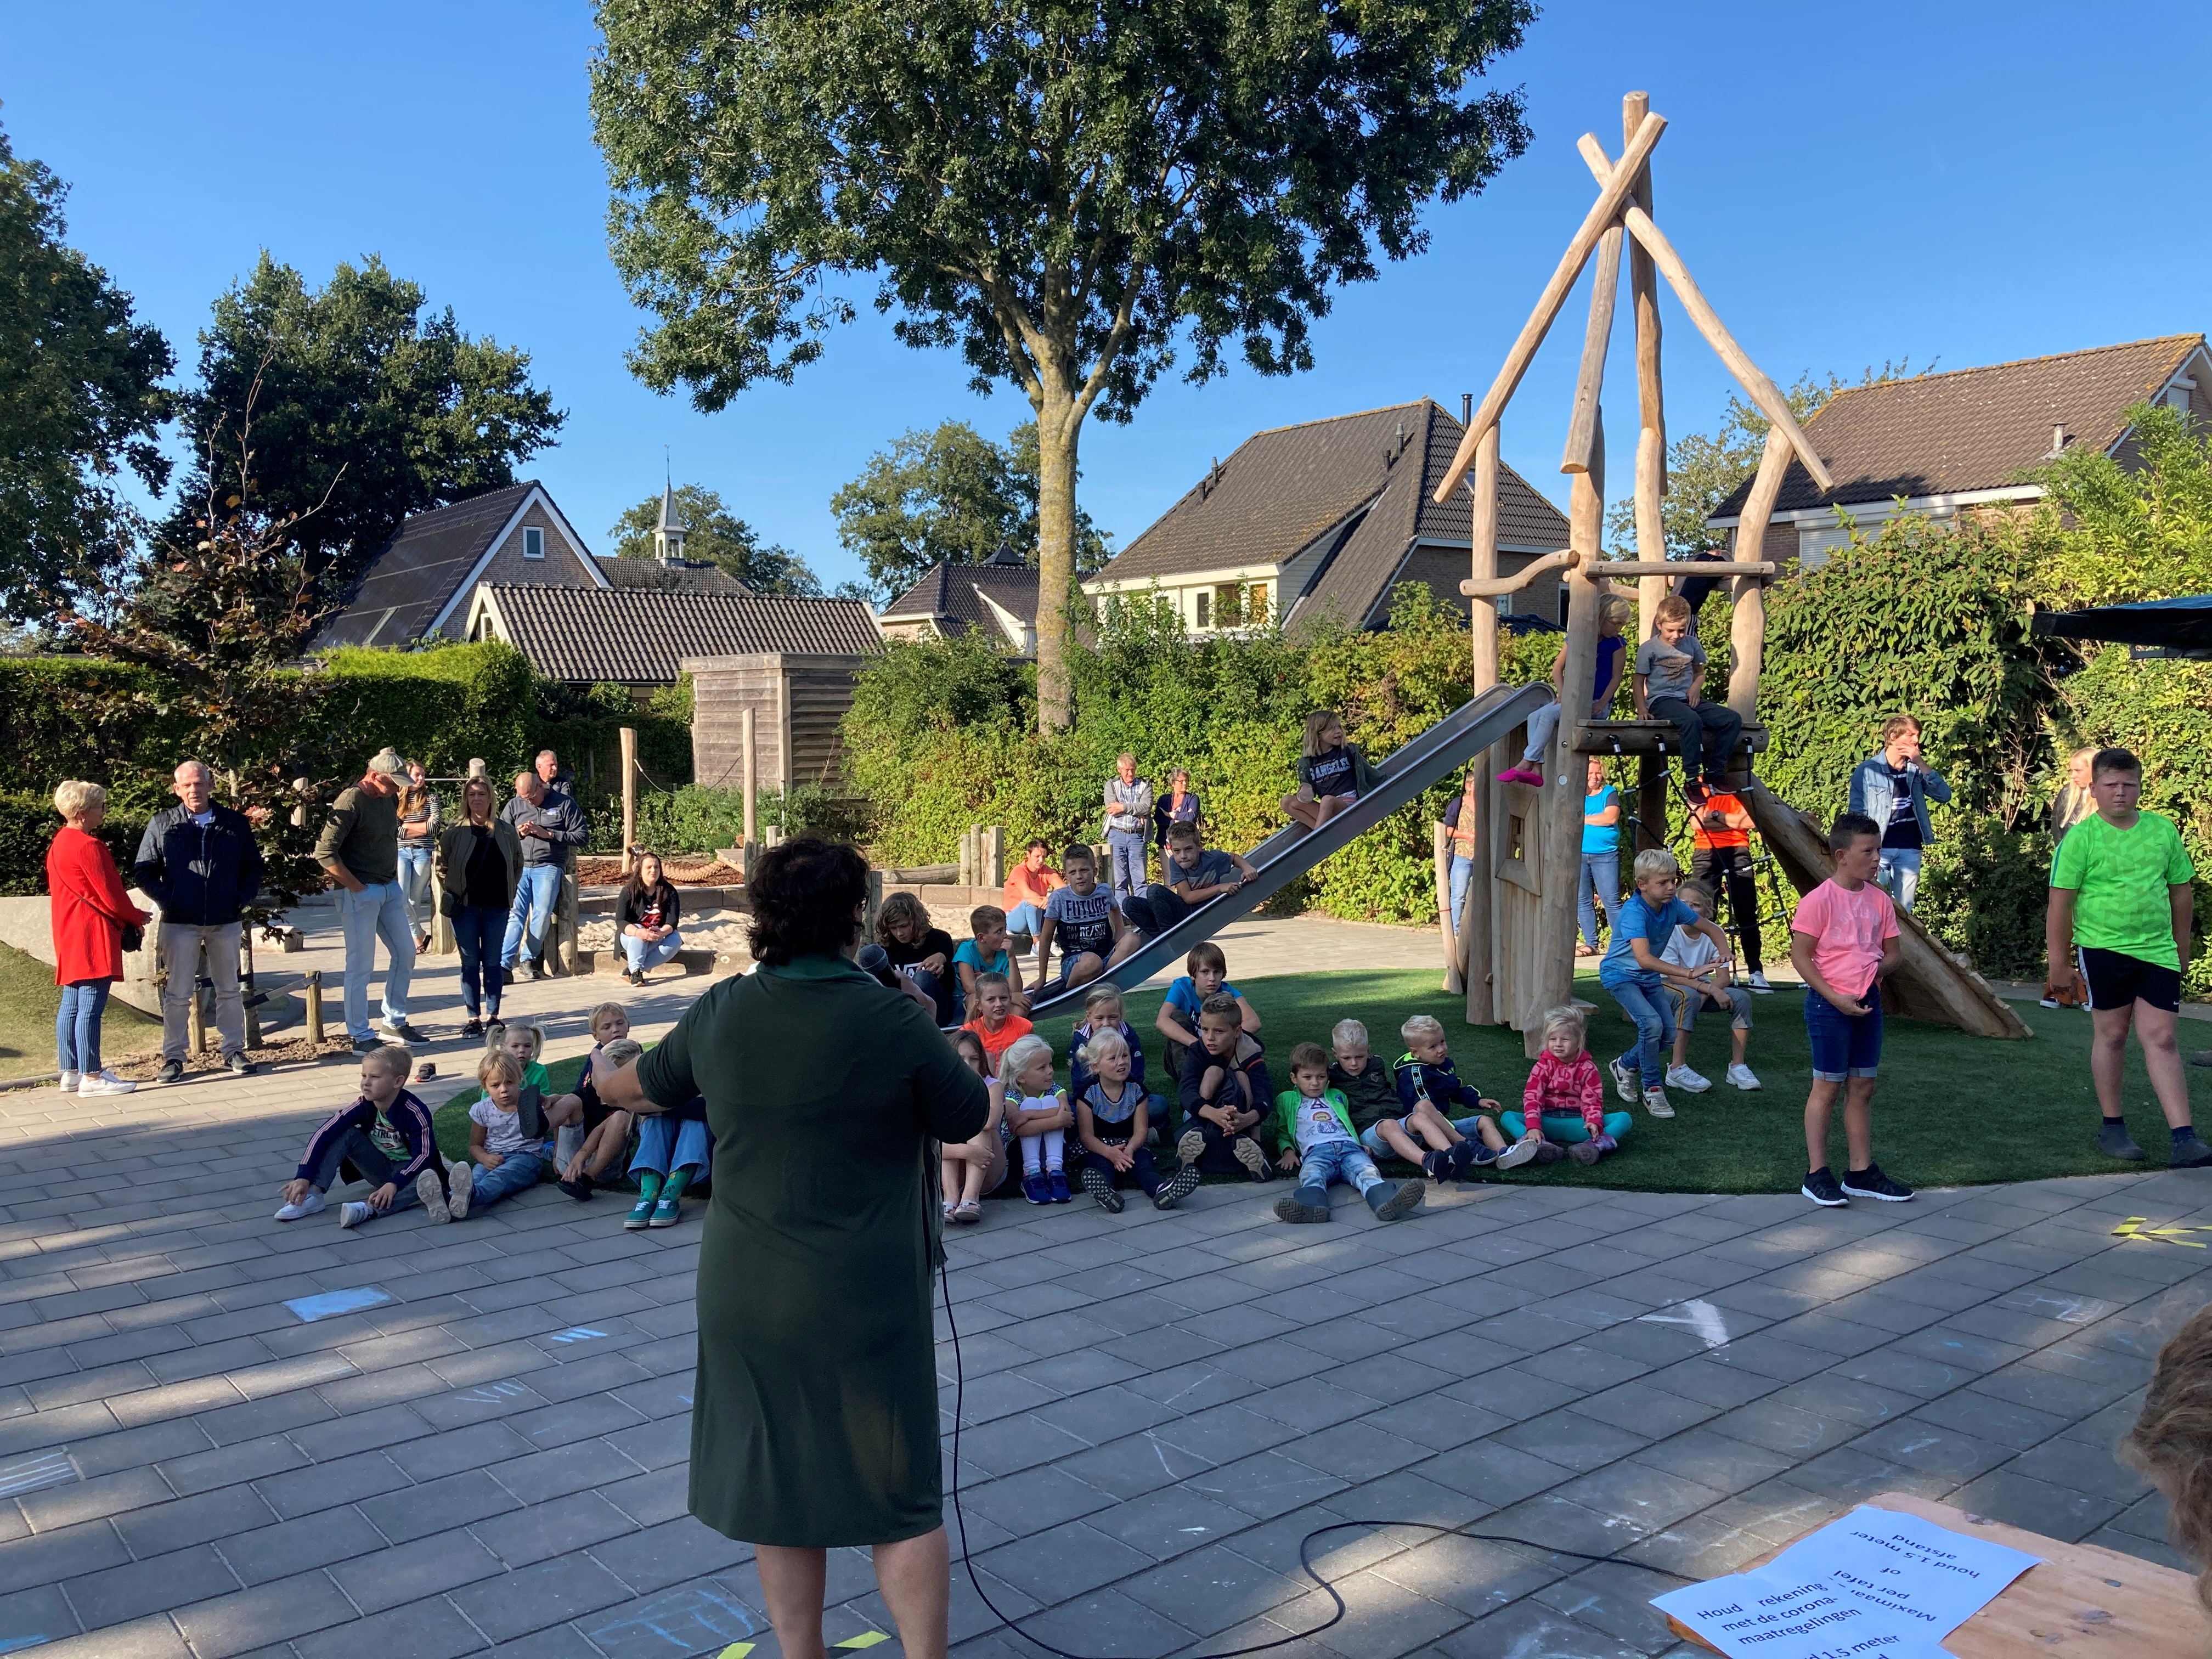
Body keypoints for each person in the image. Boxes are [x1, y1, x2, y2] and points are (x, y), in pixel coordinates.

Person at [589, 838, 988, 1659]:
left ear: (762, 919)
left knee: (780, 1488)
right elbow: (967, 1118)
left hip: (750, 1289)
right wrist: (922, 1023)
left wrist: (601, 1070)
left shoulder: (723, 1009)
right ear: (854, 918)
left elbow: (636, 1087)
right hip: (869, 1289)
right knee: (899, 1492)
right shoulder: (889, 1015)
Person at [2046, 748, 2209, 1169]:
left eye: (2129, 784)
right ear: (2095, 788)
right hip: (2102, 950)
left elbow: (2180, 892)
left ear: (2139, 786)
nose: (2120, 793)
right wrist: (2058, 963)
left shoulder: (2162, 831)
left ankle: (2184, 1138)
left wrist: (2181, 947)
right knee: (2113, 1035)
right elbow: (2060, 905)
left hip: (2157, 951)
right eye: (2112, 785)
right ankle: (2113, 1127)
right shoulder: (2080, 838)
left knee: (2163, 1038)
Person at [1791, 813, 1914, 1207]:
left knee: (1863, 1086)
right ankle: (1816, 1175)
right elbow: (1801, 958)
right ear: (1842, 855)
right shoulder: (1817, 902)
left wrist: (1873, 970)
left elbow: (1894, 954)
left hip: (1868, 1003)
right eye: (1869, 851)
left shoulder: (1880, 901)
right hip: (1830, 1006)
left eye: (1878, 849)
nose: (1877, 858)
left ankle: (1860, 1173)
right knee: (1826, 1088)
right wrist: (1834, 995)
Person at [135, 759, 264, 1084]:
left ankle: (234, 1050)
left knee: (229, 990)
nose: (194, 790)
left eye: (199, 783)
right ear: (177, 789)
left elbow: (253, 865)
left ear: (211, 785)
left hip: (226, 919)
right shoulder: (163, 824)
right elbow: (144, 869)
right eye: (187, 785)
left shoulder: (234, 823)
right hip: (180, 922)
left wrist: (239, 897)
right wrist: (170, 899)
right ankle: (174, 1057)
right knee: (178, 993)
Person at [1599, 847, 1727, 1121]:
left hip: (1646, 977)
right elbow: (1644, 959)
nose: (1671, 888)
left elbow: (1712, 928)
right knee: (1651, 1025)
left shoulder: (1673, 906)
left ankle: (1624, 1065)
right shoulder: (1635, 912)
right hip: (1621, 976)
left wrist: (1723, 949)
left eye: (1673, 880)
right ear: (1642, 885)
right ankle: (1653, 1089)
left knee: (1668, 1034)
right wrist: (1690, 972)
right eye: (1663, 883)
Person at [48, 780, 150, 1097]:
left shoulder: (59, 843)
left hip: (68, 930)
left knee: (72, 1004)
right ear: (82, 813)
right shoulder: (89, 846)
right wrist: (136, 916)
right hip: (92, 932)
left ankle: (71, 1071)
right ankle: (92, 1076)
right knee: (91, 1005)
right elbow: (111, 894)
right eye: (100, 806)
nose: (104, 811)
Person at [315, 748, 421, 1052]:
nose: (397, 789)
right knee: (360, 965)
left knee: (406, 952)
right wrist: (356, 887)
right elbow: (325, 852)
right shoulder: (351, 800)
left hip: (388, 887)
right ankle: (360, 1035)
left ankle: (394, 1021)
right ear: (374, 776)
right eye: (392, 783)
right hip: (359, 891)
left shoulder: (386, 797)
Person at [275, 1044, 439, 1228]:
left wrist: (396, 1183)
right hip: (380, 1168)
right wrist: (303, 1175)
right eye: (364, 1076)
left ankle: (368, 1209)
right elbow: (323, 1133)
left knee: (429, 1179)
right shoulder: (363, 1105)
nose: (366, 1083)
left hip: (411, 1172)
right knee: (345, 1132)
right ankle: (313, 1195)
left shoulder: (414, 1112)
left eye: (375, 1077)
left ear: (398, 1081)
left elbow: (424, 1156)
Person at [1270, 1042, 1423, 1224]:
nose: (1315, 1083)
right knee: (1312, 1174)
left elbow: (1348, 1122)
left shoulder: (1337, 1095)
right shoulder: (1286, 1099)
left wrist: (1359, 1143)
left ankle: (1387, 1200)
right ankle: (1311, 1206)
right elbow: (1282, 1131)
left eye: (1321, 1077)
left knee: (1366, 1171)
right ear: (1294, 1078)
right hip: (1317, 1151)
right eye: (1307, 1077)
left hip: (1349, 1147)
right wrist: (1287, 1150)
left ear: (1328, 1076)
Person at [1497, 594, 1631, 787]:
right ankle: (1537, 769)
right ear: (1602, 617)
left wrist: (1602, 703)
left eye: (1622, 625)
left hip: (1596, 704)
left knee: (1547, 716)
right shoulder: (1577, 639)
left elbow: (1616, 677)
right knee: (1535, 716)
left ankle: (1526, 762)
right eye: (1617, 623)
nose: (1619, 629)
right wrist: (1562, 693)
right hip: (1574, 699)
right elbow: (1557, 669)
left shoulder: (1617, 644)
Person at [1075, 1026, 1197, 1213]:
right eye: (1113, 1058)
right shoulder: (1087, 1094)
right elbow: (1086, 1136)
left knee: (1144, 1167)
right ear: (1096, 1066)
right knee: (1101, 1167)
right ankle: (1106, 1193)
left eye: (1125, 1056)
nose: (1121, 1062)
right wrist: (1110, 1153)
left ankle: (1163, 1190)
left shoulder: (1137, 1090)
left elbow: (1141, 1131)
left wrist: (1130, 1149)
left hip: (1131, 1143)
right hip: (1099, 1147)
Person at [1394, 1014, 1530, 1176]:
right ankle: (1465, 1147)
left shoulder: (1444, 1063)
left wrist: (1478, 1100)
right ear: (1416, 1053)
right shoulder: (1413, 1074)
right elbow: (1423, 1111)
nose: (1441, 1049)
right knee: (1424, 1106)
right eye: (1433, 1047)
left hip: (1445, 1126)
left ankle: (1504, 1154)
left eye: (1442, 1042)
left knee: (1485, 1121)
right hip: (1425, 1134)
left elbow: (1455, 1090)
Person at [437, 776, 520, 1037]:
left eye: (481, 794)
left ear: (490, 798)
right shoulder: (454, 831)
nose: (476, 799)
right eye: (471, 795)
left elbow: (517, 865)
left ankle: (494, 1016)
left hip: (497, 907)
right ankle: (473, 1017)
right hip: (466, 908)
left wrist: (509, 891)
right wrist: (453, 888)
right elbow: (442, 866)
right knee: (470, 962)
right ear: (466, 799)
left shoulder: (506, 831)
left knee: (493, 962)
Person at [1634, 595, 1743, 793]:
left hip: (1687, 698)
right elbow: (1638, 680)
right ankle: (1692, 778)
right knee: (1692, 721)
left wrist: (1695, 687)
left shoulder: (1692, 644)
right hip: (1662, 701)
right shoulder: (1649, 648)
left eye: (1681, 630)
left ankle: (1715, 773)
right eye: (1671, 630)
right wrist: (1642, 708)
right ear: (1659, 624)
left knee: (1732, 719)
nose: (1676, 635)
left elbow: (1700, 673)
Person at [1661, 882, 1761, 1093]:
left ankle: (1738, 1066)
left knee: (1741, 998)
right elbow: (1673, 975)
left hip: (1700, 989)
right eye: (1684, 903)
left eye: (1695, 905)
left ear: (1708, 911)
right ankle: (1676, 1068)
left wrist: (1709, 991)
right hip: (1668, 986)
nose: (1688, 909)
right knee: (1689, 996)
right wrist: (1710, 990)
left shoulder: (1714, 933)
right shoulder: (1670, 931)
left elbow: (1723, 976)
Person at [1847, 715, 1953, 913]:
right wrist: (1864, 850)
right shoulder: (1868, 770)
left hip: (1909, 847)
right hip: (1879, 849)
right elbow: (1857, 815)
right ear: (1894, 736)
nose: (1916, 741)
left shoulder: (1916, 769)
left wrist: (1920, 762)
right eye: (1911, 735)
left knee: (1904, 910)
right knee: (1871, 905)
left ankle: (1898, 945)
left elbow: (1944, 795)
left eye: (1918, 736)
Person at [1504, 1005, 1629, 1166]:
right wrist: (1533, 1127)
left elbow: (1592, 1100)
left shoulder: (1588, 1068)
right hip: (1547, 1123)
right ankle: (1537, 1144)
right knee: (1508, 1117)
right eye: (1553, 1039)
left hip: (1579, 1125)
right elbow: (1532, 1097)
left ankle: (1590, 1147)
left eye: (1565, 1039)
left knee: (1624, 1119)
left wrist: (1593, 1122)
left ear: (1579, 1042)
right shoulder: (1542, 1066)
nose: (1558, 1044)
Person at [499, 765, 585, 982]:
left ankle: (528, 959)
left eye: (530, 797)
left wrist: (549, 834)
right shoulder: (514, 804)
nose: (528, 802)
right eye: (523, 798)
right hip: (520, 866)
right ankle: (503, 964)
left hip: (548, 866)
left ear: (541, 786)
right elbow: (499, 836)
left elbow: (582, 836)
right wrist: (517, 833)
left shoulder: (564, 803)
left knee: (541, 913)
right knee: (515, 915)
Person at [1177, 994, 1274, 1180]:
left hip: (1239, 1114)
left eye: (1219, 1032)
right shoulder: (1198, 1050)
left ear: (1237, 1031)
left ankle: (1255, 1146)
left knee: (1241, 1076)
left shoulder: (1250, 1052)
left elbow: (1264, 1094)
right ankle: (1193, 1138)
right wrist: (1213, 1113)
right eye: (1205, 1030)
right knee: (1214, 1071)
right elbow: (1186, 1091)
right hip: (1203, 1112)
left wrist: (1247, 1119)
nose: (1210, 1038)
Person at [461, 1047, 564, 1216]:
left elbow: (562, 1109)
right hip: (493, 1157)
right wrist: (484, 1158)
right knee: (477, 1176)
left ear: (519, 1079)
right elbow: (475, 1145)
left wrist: (549, 1100)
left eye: (509, 1082)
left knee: (500, 1178)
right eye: (496, 1085)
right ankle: (449, 1199)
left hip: (526, 1158)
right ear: (485, 1086)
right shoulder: (482, 1110)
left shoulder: (530, 1102)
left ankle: (469, 1197)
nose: (504, 1089)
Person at [1688, 778, 1768, 990]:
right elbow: (1696, 822)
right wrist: (1730, 820)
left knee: (1746, 911)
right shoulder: (1697, 785)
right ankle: (1701, 971)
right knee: (1702, 912)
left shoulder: (1738, 782)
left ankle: (1755, 972)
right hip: (1705, 850)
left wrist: (1714, 814)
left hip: (1738, 849)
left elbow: (1750, 821)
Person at [1120, 820, 1255, 940]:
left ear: (1199, 847)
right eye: (1177, 851)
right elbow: (1188, 897)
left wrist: (1247, 867)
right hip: (1183, 909)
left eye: (1188, 849)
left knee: (1154, 891)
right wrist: (1220, 888)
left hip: (1199, 913)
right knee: (1129, 903)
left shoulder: (1212, 858)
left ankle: (1167, 935)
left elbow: (1234, 858)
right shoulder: (1175, 862)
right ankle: (1161, 936)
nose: (1183, 856)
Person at [557, 1005, 638, 1199]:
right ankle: (541, 1123)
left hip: (605, 1164)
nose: (615, 1030)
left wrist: (583, 1156)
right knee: (570, 1100)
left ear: (629, 1026)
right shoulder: (595, 1058)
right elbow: (579, 1095)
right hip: (572, 1158)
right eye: (607, 1027)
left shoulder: (634, 1059)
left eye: (620, 1024)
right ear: (596, 1036)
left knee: (620, 1118)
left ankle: (586, 1181)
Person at [2042, 747, 2098, 1009]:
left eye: (2079, 770)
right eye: (2071, 770)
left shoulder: (2106, 799)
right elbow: (2058, 834)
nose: (2073, 775)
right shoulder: (2067, 794)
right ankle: (2057, 989)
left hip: (2096, 877)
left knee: (2089, 931)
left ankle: (2091, 991)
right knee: (2060, 928)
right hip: (2068, 873)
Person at [1154, 941, 1259, 1080]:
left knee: (1234, 1025)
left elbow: (1254, 1022)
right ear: (1193, 974)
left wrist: (1224, 1038)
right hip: (1186, 1054)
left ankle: (1228, 1072)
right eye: (1205, 972)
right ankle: (1190, 1078)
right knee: (1176, 1017)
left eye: (1217, 972)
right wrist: (1200, 1045)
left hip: (1216, 1052)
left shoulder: (1228, 992)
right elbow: (1162, 1021)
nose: (1212, 979)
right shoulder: (1182, 987)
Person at [1035, 843, 1127, 992]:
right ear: (1066, 875)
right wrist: (1042, 978)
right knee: (1092, 961)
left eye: (1084, 870)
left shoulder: (1104, 891)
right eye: (1073, 872)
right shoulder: (1059, 898)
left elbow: (1115, 909)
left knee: (1133, 940)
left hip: (1106, 955)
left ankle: (1104, 974)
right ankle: (1069, 990)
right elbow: (1046, 938)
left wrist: (1119, 935)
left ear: (1094, 871)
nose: (1079, 876)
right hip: (1075, 960)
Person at [941, 1030, 1008, 1224]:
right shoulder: (939, 1089)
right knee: (946, 1130)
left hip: (989, 1166)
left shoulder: (992, 1086)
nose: (968, 1065)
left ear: (982, 1062)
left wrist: (974, 1086)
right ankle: (951, 1199)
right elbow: (933, 1146)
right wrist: (968, 1152)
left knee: (980, 1128)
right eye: (960, 1059)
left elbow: (990, 1122)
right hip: (964, 1160)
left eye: (974, 1059)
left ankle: (971, 1199)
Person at [1002, 1034, 1073, 1204]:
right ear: (1021, 1077)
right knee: (1032, 1103)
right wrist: (1056, 1120)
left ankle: (1055, 1171)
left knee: (1048, 1100)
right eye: (1042, 1068)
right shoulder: (1011, 1093)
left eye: (1050, 1065)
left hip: (1049, 1152)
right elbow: (1017, 1127)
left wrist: (1028, 1115)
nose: (1050, 1071)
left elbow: (1065, 1109)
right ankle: (1031, 1174)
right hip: (1018, 1153)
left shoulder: (1052, 1088)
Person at [1281, 709, 1375, 831]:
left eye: (1339, 727)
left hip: (1349, 807)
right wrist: (1305, 791)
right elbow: (1309, 795)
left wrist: (1388, 780)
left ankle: (1318, 837)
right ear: (1318, 734)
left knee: (1327, 800)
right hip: (1327, 812)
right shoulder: (1308, 763)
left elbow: (1371, 773)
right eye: (1332, 729)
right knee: (1286, 801)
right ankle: (1319, 830)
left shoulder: (1347, 751)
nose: (1338, 732)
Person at [877, 892, 956, 1024]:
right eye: (893, 928)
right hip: (901, 1013)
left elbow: (949, 985)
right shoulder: (885, 949)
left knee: (922, 978)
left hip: (938, 1012)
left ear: (916, 920)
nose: (899, 933)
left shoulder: (939, 940)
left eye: (904, 926)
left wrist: (941, 959)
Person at [1067, 981, 1149, 1105]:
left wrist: (1123, 1097)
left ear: (1121, 1016)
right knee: (1069, 1107)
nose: (1106, 1023)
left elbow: (1137, 1075)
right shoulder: (1081, 1040)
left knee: (1159, 1105)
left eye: (1113, 1017)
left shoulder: (1129, 1036)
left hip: (1126, 1098)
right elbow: (1080, 1082)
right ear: (1089, 1017)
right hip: (1093, 1100)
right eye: (1099, 1018)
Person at [617, 851, 684, 985]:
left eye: (657, 867)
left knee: (676, 939)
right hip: (631, 937)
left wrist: (662, 932)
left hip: (657, 935)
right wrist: (639, 932)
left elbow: (672, 921)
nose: (653, 870)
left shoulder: (669, 891)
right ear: (640, 870)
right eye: (649, 867)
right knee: (641, 931)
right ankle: (636, 973)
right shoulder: (629, 891)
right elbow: (620, 921)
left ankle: (632, 969)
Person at [1578, 756, 1623, 956]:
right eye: (1590, 772)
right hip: (1579, 854)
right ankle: (1591, 944)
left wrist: (1581, 819)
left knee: (1611, 901)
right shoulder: (1576, 793)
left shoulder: (1609, 792)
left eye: (1597, 772)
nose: (1594, 777)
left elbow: (1610, 818)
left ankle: (1621, 943)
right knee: (1582, 900)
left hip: (1605, 855)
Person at [396, 758, 441, 953]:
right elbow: (394, 830)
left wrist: (407, 826)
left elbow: (434, 827)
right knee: (401, 897)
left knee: (414, 899)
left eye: (423, 775)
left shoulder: (432, 798)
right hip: (401, 852)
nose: (421, 778)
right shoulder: (395, 799)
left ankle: (415, 939)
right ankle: (418, 935)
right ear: (407, 776)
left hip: (423, 851)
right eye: (417, 775)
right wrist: (421, 827)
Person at [953, 905, 1028, 1020]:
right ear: (982, 938)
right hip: (963, 1005)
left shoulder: (1004, 953)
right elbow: (970, 987)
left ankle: (1004, 1036)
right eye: (999, 931)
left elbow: (1016, 989)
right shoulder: (967, 949)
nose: (1006, 935)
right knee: (975, 1000)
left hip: (994, 1002)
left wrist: (1012, 957)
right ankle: (969, 1036)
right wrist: (1010, 996)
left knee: (1021, 1005)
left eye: (1005, 929)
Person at [1103, 753, 1153, 905]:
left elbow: (1147, 806)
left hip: (1137, 836)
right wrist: (1137, 810)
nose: (1130, 773)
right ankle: (1123, 915)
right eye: (1127, 770)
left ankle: (1143, 914)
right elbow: (1112, 807)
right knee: (1119, 881)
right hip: (1116, 835)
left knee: (1140, 880)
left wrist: (1123, 807)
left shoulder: (1145, 785)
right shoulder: (1111, 785)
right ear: (1119, 770)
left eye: (1133, 769)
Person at [1000, 839, 1064, 951]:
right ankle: (1037, 943)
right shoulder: (1019, 871)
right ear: (1028, 855)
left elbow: (1063, 890)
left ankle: (1051, 942)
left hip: (1038, 915)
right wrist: (1051, 903)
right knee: (1031, 903)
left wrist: (1051, 900)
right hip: (1013, 919)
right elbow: (1027, 895)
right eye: (1037, 856)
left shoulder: (1046, 870)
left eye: (1044, 857)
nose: (1041, 860)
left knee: (1060, 902)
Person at [960, 972, 1032, 1070]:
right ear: (979, 1005)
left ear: (1010, 999)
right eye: (991, 999)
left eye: (1003, 998)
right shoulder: (969, 1032)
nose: (999, 1004)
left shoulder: (1024, 1027)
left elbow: (1034, 1062)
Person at [1443, 767, 1481, 934]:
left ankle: (1476, 932)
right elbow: (1446, 829)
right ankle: (1455, 931)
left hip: (1482, 856)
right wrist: (1466, 835)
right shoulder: (1457, 804)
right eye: (1475, 783)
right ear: (1468, 785)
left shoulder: (1485, 804)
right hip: (1462, 856)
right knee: (1458, 896)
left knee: (1481, 896)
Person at [1154, 767, 1203, 855]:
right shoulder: (1164, 800)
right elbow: (1158, 819)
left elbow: (1191, 816)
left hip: (1187, 844)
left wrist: (1173, 816)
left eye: (1186, 781)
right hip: (1166, 843)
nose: (1185, 783)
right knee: (1167, 870)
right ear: (1173, 783)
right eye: (1181, 781)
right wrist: (1181, 819)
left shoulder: (1193, 798)